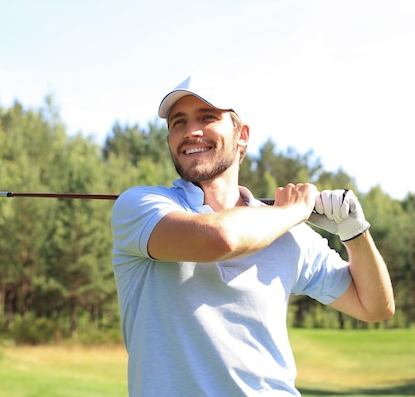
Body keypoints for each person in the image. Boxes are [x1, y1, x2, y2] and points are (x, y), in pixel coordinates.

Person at [111, 75, 395, 396]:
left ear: (241, 135)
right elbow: (220, 240)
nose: (191, 131)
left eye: (207, 117)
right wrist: (292, 212)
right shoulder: (141, 206)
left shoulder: (286, 231)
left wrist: (354, 232)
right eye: (179, 122)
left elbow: (374, 307)